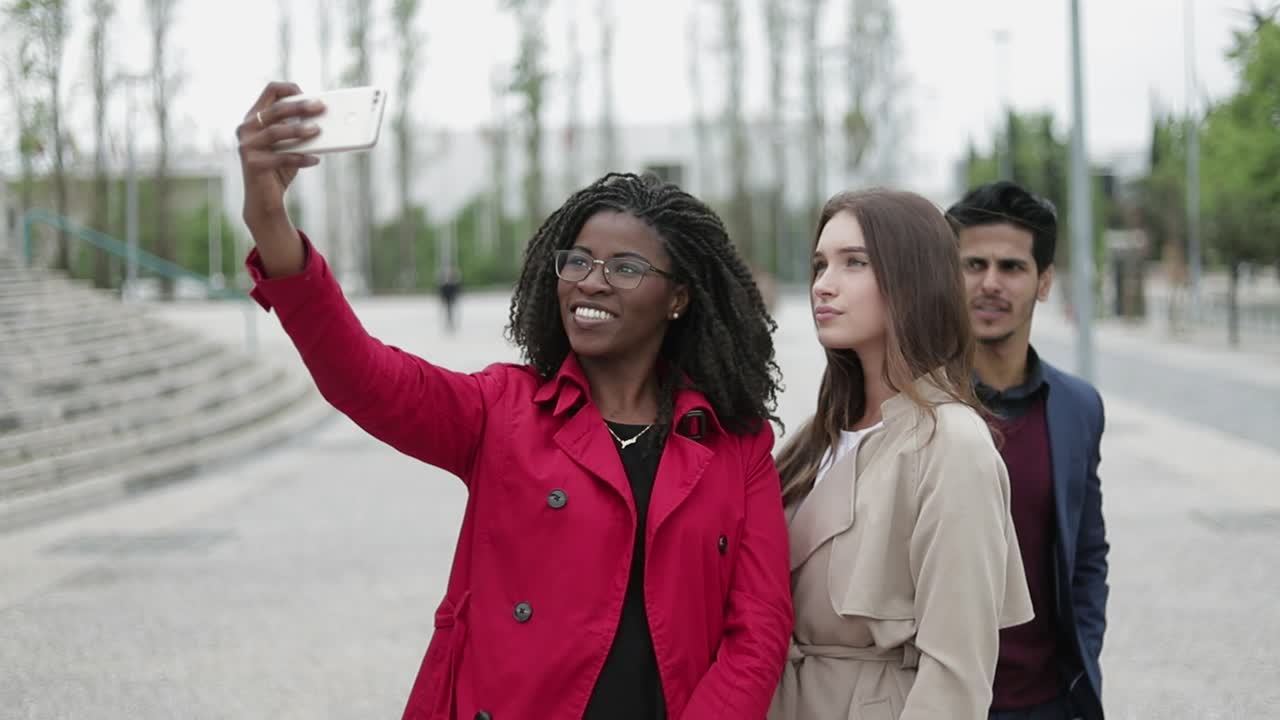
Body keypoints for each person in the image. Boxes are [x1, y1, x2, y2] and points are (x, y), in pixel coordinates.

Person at [235, 83, 792, 720]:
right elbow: (362, 377)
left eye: (625, 268)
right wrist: (270, 223)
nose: (591, 282)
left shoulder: (735, 444)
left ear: (678, 298)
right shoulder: (502, 410)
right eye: (578, 260)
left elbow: (759, 631)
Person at [769, 189, 1033, 720]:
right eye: (820, 264)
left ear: (912, 280)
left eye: (854, 263)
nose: (824, 284)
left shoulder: (952, 443)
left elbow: (957, 677)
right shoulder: (815, 437)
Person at [946, 181, 1109, 720]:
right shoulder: (914, 404)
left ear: (1043, 282)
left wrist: (1082, 663)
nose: (990, 283)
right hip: (943, 702)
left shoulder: (1077, 409)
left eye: (1011, 267)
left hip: (1048, 702)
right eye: (974, 265)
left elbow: (1087, 554)